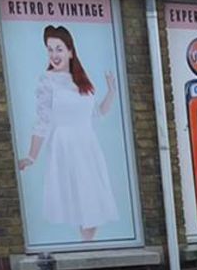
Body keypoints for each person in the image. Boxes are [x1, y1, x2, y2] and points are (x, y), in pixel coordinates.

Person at [15, 25, 120, 242]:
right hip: (65, 147)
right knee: (80, 204)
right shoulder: (47, 80)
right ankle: (84, 249)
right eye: (50, 49)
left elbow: (98, 114)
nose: (54, 54)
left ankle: (87, 248)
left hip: (87, 146)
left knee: (92, 205)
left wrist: (111, 92)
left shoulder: (81, 80)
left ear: (70, 51)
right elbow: (42, 121)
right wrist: (32, 156)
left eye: (59, 48)